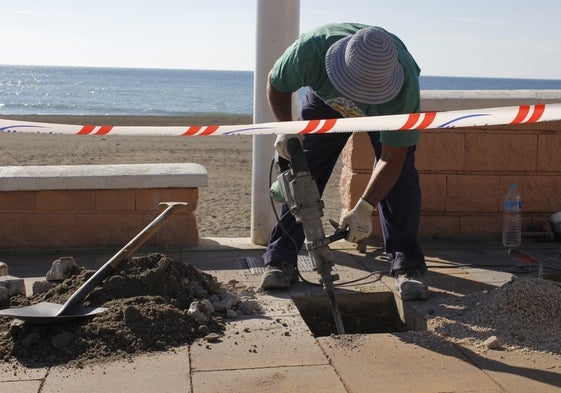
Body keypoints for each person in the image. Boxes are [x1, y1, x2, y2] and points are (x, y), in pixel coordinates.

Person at [260, 22, 428, 301]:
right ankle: (280, 258)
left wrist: (363, 208)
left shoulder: (403, 88)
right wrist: (286, 127)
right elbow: (276, 85)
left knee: (402, 179)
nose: (357, 103)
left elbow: (392, 158)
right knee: (303, 171)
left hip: (383, 110)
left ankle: (406, 266)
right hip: (326, 100)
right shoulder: (310, 50)